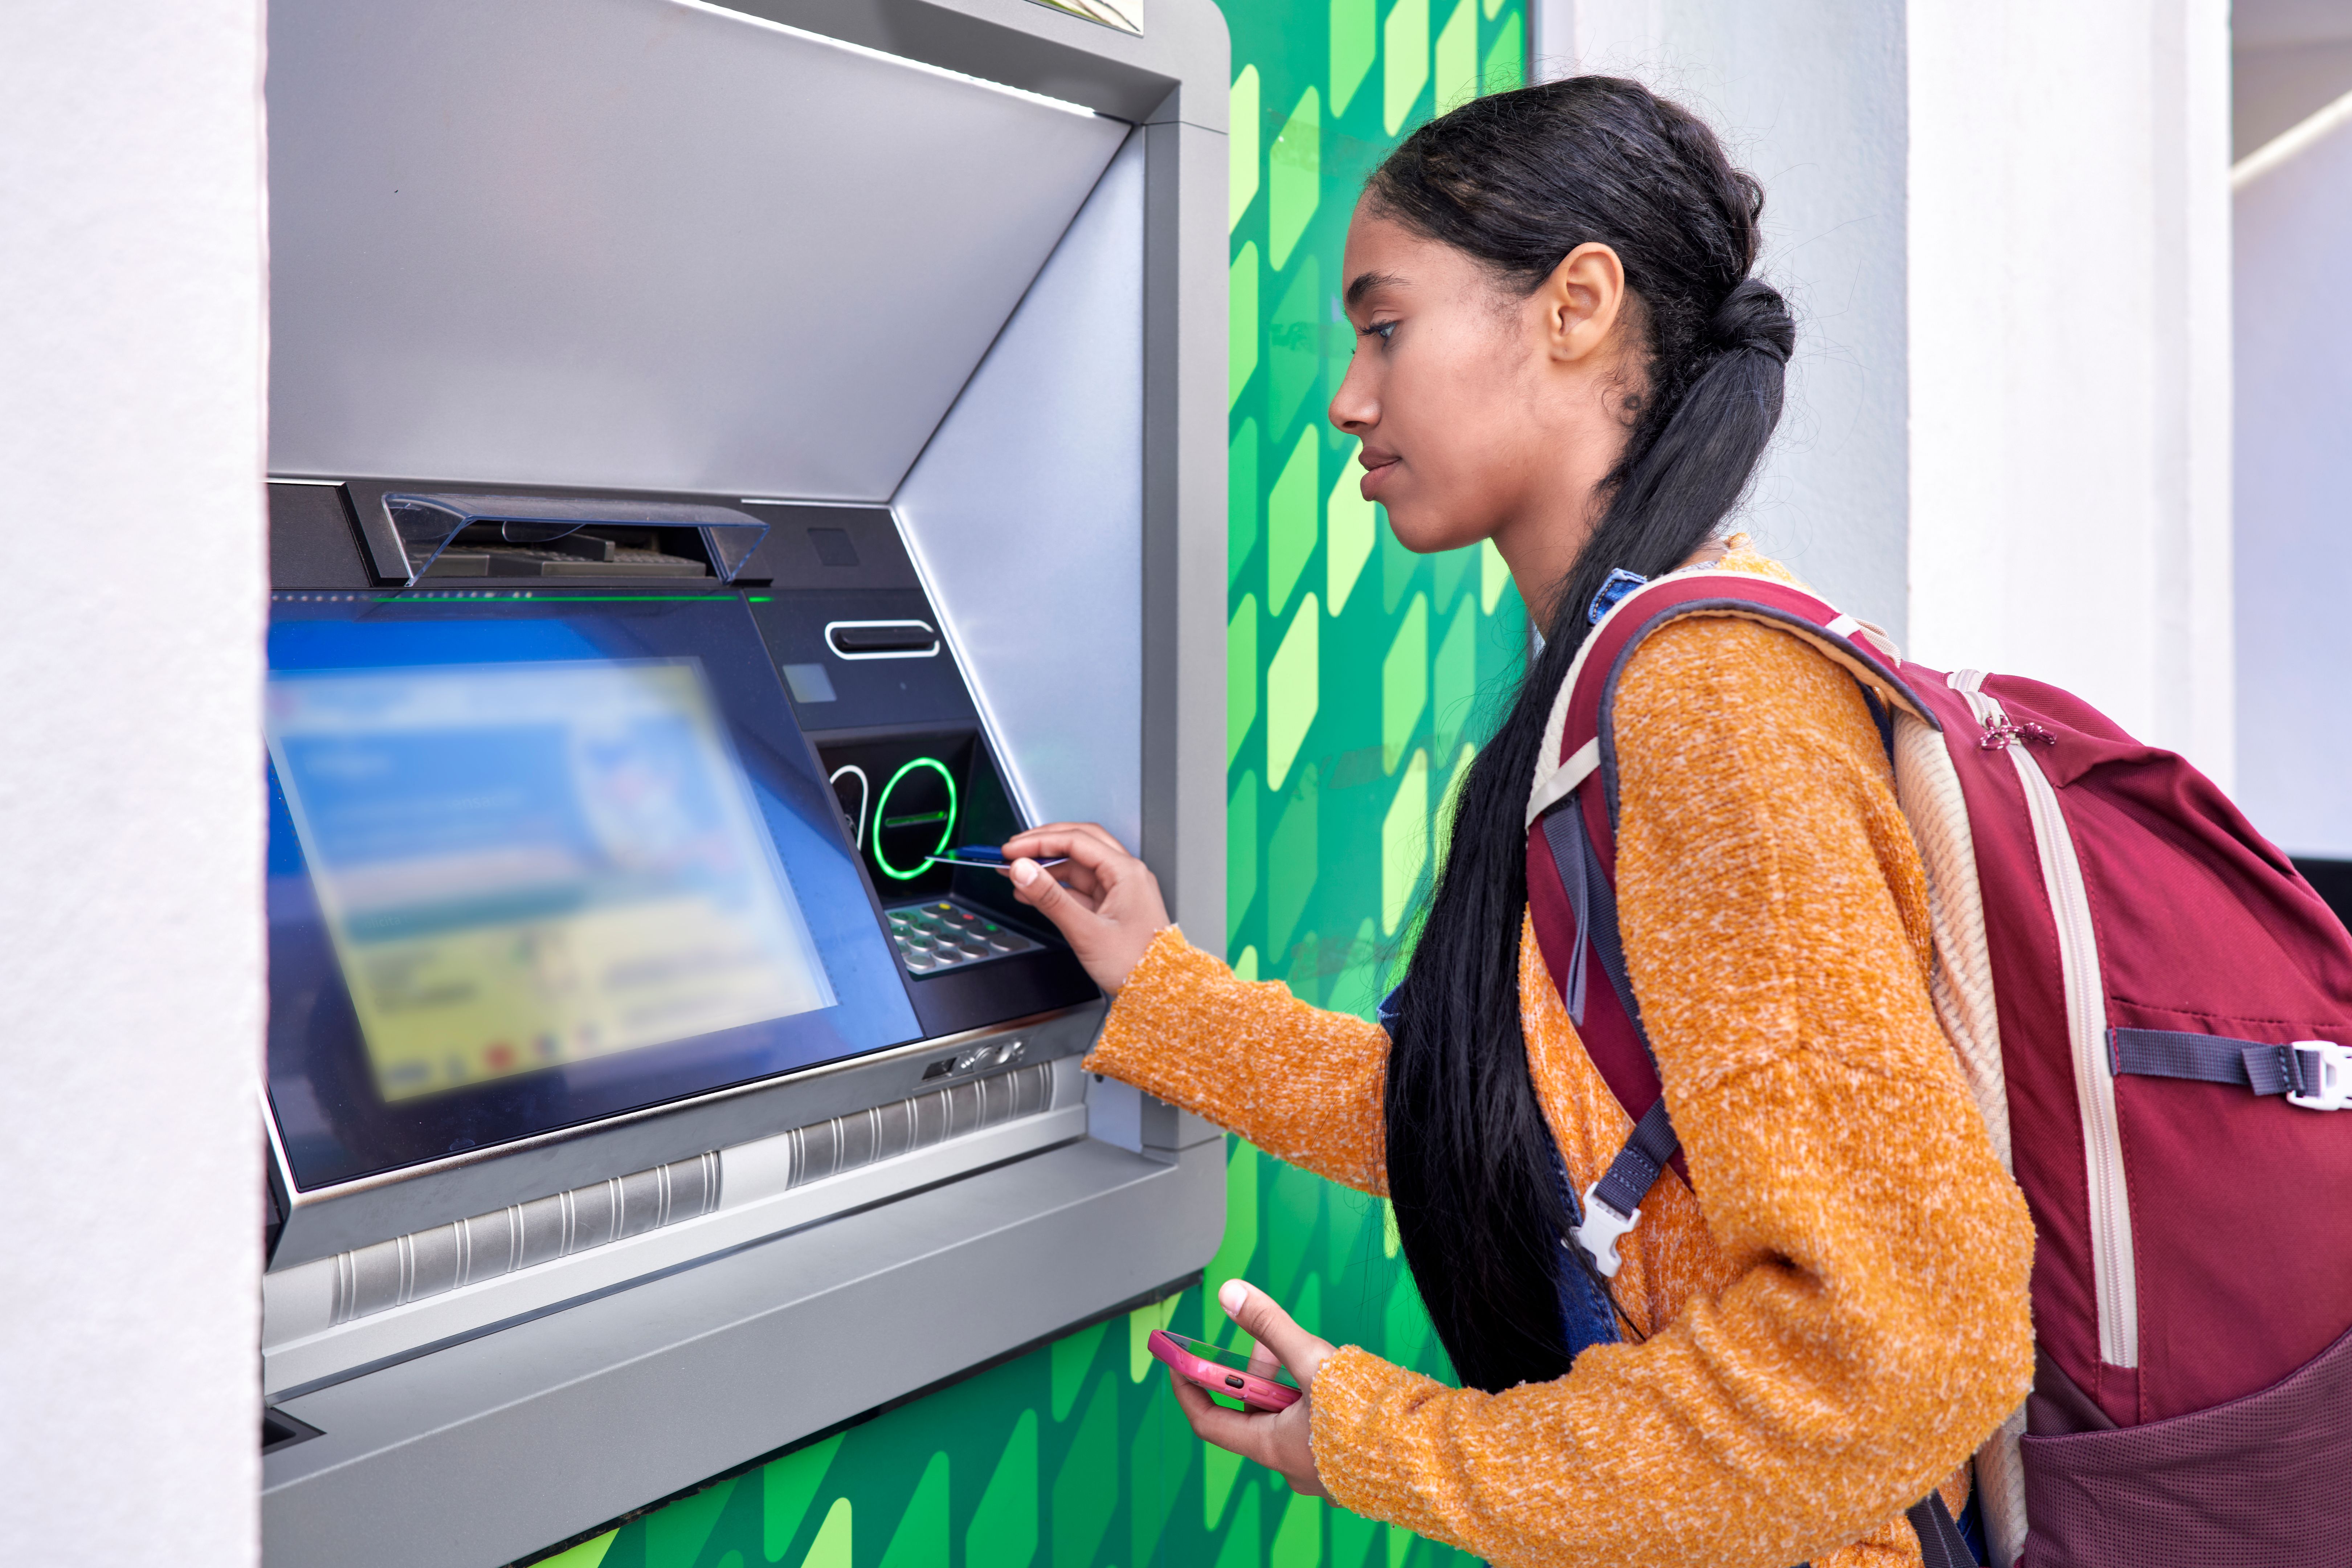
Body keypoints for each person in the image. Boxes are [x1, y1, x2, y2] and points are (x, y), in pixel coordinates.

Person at [1002, 75, 2034, 1568]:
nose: (1351, 399)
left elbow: (1906, 1346)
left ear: (1577, 305)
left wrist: (1399, 1448)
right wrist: (1165, 992)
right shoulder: (1619, 688)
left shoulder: (1710, 706)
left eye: (1386, 326)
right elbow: (1527, 1138)